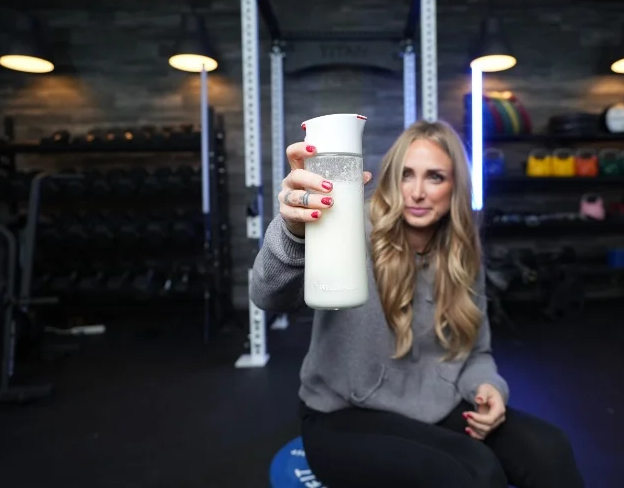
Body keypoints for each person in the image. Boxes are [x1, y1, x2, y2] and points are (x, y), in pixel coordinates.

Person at [250, 120, 585, 488]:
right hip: (343, 415)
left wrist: (488, 387)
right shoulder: (350, 228)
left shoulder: (461, 252)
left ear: (455, 185)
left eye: (435, 177)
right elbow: (269, 296)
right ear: (392, 178)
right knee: (477, 473)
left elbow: (477, 352)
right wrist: (293, 232)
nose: (418, 192)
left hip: (435, 404)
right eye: (407, 175)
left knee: (549, 449)